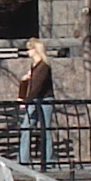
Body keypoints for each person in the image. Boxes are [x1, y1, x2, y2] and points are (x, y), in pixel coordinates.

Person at [15, 38, 55, 167]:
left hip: (44, 100)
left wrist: (27, 101)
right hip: (34, 99)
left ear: (36, 50)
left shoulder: (43, 66)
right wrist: (24, 83)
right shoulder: (34, 66)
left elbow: (38, 86)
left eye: (29, 49)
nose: (28, 52)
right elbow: (30, 85)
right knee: (26, 126)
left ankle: (48, 160)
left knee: (45, 129)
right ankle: (23, 159)